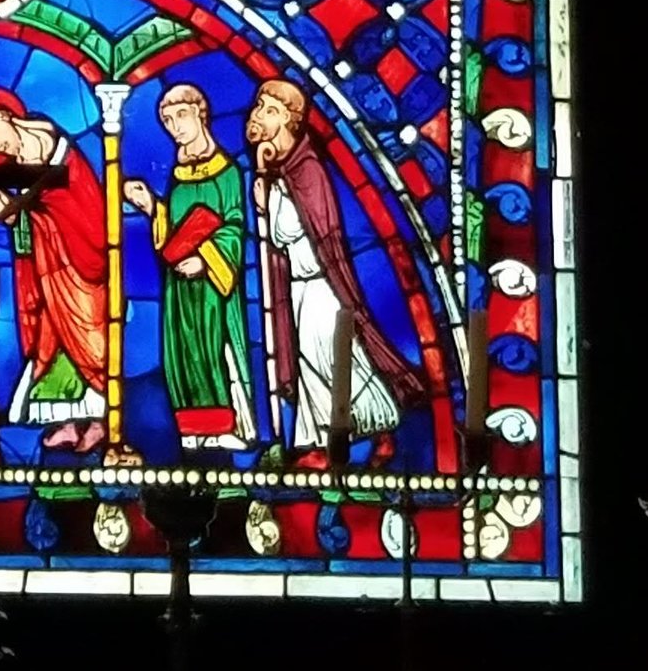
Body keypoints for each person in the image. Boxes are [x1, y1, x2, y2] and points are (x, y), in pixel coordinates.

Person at [247, 77, 424, 464]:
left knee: (334, 355)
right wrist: (265, 180)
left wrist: (265, 190)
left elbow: (288, 230)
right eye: (261, 107)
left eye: (271, 110)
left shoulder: (306, 168)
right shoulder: (282, 171)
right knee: (308, 362)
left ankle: (382, 424)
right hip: (297, 285)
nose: (261, 116)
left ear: (291, 120)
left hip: (321, 285)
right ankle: (315, 442)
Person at [0, 90, 110, 455]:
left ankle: (99, 420)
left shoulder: (60, 154)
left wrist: (16, 214)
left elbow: (87, 221)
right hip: (49, 273)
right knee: (51, 337)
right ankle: (65, 421)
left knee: (90, 339)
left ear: (5, 115)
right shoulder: (22, 163)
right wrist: (17, 216)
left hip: (81, 268)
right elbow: (40, 224)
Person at [123, 84, 254, 449]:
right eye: (167, 120)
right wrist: (152, 206)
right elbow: (176, 226)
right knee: (182, 354)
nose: (174, 126)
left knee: (214, 348)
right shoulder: (179, 174)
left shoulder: (226, 171)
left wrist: (207, 258)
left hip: (214, 283)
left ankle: (225, 426)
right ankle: (194, 430)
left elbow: (233, 225)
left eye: (181, 116)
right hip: (178, 284)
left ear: (201, 113)